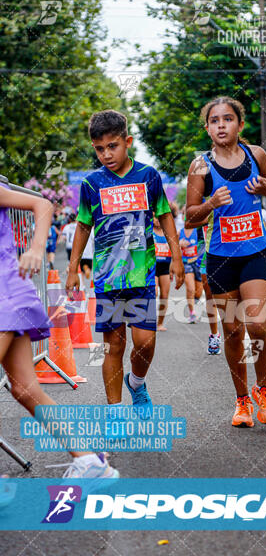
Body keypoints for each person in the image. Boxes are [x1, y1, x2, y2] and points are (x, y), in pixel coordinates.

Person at [66, 110, 184, 414]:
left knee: (144, 343)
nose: (106, 154)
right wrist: (72, 269)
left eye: (113, 146)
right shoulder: (91, 184)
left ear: (127, 141)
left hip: (141, 276)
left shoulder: (148, 176)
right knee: (114, 346)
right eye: (99, 148)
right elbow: (82, 226)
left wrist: (176, 257)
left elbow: (165, 216)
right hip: (107, 279)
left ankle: (137, 382)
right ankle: (115, 412)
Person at [0, 181, 118, 479]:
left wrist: (36, 249)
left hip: (5, 294)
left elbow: (43, 204)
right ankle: (89, 461)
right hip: (12, 295)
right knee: (26, 389)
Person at [186, 96, 266, 428]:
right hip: (220, 259)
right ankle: (242, 402)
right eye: (214, 120)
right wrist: (211, 202)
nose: (221, 125)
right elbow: (189, 218)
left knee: (257, 325)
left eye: (228, 119)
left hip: (254, 253)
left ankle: (264, 390)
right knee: (230, 330)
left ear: (240, 125)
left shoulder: (256, 155)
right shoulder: (200, 166)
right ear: (208, 127)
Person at [185, 218, 221, 355]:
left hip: (229, 246)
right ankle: (214, 335)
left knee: (232, 294)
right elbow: (190, 220)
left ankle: (234, 332)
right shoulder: (202, 199)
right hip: (205, 251)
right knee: (210, 296)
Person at [179, 224, 202, 323]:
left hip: (197, 263)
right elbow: (173, 247)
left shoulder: (198, 231)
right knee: (190, 289)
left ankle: (195, 305)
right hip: (186, 263)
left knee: (198, 292)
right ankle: (192, 313)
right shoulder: (180, 232)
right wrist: (179, 244)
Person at [153, 214, 172, 331]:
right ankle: (149, 320)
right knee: (153, 293)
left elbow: (175, 250)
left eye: (159, 217)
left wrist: (173, 269)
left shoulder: (168, 233)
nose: (157, 220)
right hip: (153, 268)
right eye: (155, 217)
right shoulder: (150, 231)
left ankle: (160, 323)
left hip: (165, 268)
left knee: (164, 296)